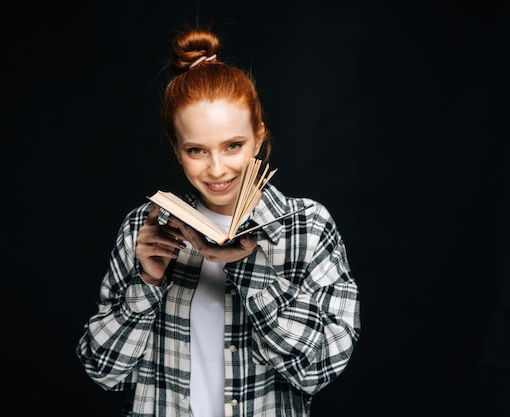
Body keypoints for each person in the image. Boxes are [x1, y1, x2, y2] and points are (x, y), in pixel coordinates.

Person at [76, 27, 361, 417]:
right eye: (197, 150)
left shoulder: (306, 226)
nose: (217, 169)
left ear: (259, 137)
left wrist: (249, 271)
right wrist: (148, 284)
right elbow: (103, 372)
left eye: (233, 146)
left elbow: (320, 370)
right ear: (177, 150)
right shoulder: (144, 228)